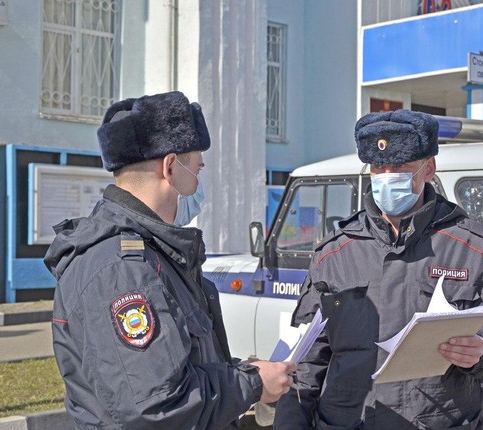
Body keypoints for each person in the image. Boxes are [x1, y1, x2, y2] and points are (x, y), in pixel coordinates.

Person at [44, 91, 296, 429]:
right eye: (197, 168)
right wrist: (252, 384)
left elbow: (176, 364)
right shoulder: (122, 269)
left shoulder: (155, 253)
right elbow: (158, 405)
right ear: (171, 167)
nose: (198, 182)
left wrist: (243, 373)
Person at [274, 109, 483, 429]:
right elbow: (305, 361)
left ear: (429, 169)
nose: (387, 177)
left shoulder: (475, 248)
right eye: (378, 167)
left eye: (399, 167)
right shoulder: (335, 253)